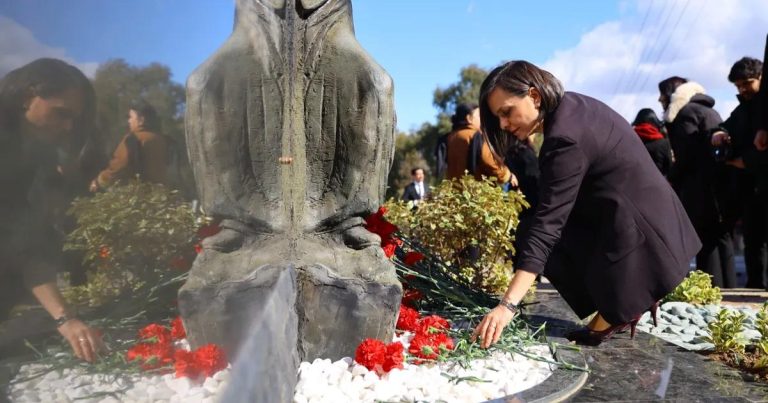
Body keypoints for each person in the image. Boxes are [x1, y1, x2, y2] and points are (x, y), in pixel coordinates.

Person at [470, 61, 700, 348]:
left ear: (534, 96)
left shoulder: (564, 138)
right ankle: (618, 300)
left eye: (506, 112)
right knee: (531, 225)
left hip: (643, 235)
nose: (503, 123)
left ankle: (623, 301)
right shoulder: (572, 107)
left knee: (534, 231)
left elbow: (548, 224)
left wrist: (507, 306)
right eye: (498, 117)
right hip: (653, 220)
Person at [0, 58, 104, 362]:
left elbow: (25, 243)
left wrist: (65, 319)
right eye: (61, 113)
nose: (69, 126)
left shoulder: (33, 158)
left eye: (74, 118)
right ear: (26, 97)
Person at [660, 77, 736, 288]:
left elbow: (686, 155)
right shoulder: (710, 111)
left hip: (698, 187)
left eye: (662, 95)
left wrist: (672, 178)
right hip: (719, 186)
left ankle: (709, 289)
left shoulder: (686, 114)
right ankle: (729, 288)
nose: (660, 99)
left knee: (703, 238)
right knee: (722, 237)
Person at [711, 57, 768, 288]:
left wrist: (747, 161)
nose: (743, 89)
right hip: (750, 189)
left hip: (761, 180)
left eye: (748, 83)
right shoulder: (743, 109)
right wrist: (718, 133)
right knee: (753, 240)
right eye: (738, 85)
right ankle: (756, 286)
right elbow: (726, 126)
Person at [90, 101, 168, 191]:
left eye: (131, 117)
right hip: (162, 196)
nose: (129, 121)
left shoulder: (134, 139)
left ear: (141, 120)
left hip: (139, 196)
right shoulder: (162, 139)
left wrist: (99, 181)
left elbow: (119, 167)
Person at [444, 103, 513, 185]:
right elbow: (490, 163)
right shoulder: (476, 136)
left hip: (453, 193)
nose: (482, 119)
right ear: (469, 118)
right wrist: (508, 176)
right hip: (475, 193)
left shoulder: (449, 138)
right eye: (479, 116)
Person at [631, 108, 672, 176]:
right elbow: (670, 168)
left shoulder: (631, 142)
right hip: (661, 183)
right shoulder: (664, 143)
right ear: (655, 121)